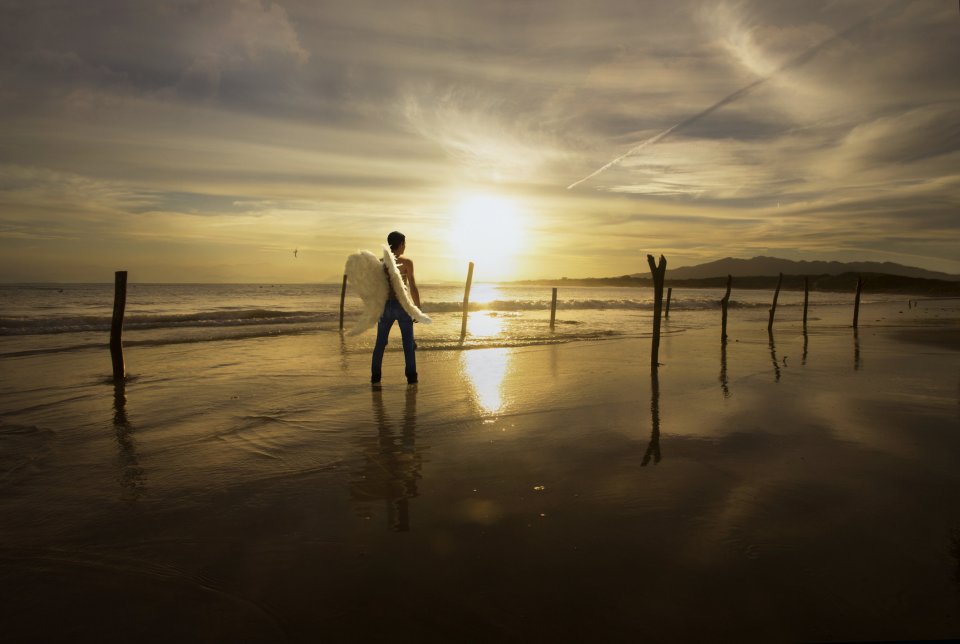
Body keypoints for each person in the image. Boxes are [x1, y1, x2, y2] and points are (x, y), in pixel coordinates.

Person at [371, 231, 420, 385]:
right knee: (408, 343)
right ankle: (411, 377)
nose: (405, 247)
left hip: (385, 306)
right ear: (400, 244)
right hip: (402, 305)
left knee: (380, 343)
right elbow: (412, 286)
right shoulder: (406, 263)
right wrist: (417, 308)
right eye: (404, 244)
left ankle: (375, 377)